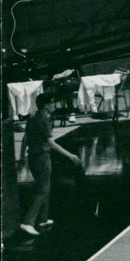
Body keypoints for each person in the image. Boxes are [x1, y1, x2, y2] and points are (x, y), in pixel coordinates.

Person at [16, 93, 83, 236]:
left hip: (33, 157)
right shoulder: (44, 119)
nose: (53, 105)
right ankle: (28, 222)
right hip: (42, 157)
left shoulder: (33, 117)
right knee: (42, 190)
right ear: (46, 105)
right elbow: (51, 143)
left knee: (45, 187)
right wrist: (71, 156)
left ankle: (43, 219)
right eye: (52, 103)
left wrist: (22, 157)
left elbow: (25, 138)